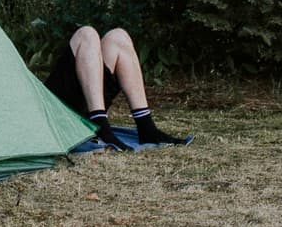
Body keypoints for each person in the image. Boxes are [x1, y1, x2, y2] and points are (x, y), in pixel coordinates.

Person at [44, 25, 188, 149]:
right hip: (56, 113)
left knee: (118, 37)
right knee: (86, 34)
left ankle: (146, 127)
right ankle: (100, 125)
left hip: (84, 109)